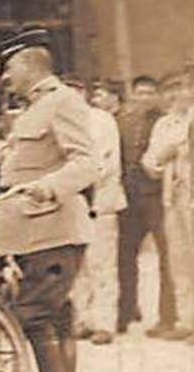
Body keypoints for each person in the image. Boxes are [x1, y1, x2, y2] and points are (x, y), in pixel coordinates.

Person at [0, 26, 102, 372]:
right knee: (55, 319)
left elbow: (87, 163)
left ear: (27, 65)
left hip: (53, 228)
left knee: (36, 316)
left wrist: (49, 186)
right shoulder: (33, 108)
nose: (5, 76)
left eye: (9, 68)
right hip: (34, 232)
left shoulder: (62, 102)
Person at [118, 74, 176, 335]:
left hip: (156, 197)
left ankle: (168, 316)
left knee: (167, 256)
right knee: (124, 255)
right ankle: (127, 309)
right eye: (140, 93)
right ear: (132, 95)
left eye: (149, 93)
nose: (144, 98)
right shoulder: (123, 123)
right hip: (128, 199)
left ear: (157, 96)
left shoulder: (165, 123)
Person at [72, 79, 126, 344]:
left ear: (83, 92)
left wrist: (75, 178)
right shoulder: (62, 121)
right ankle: (82, 318)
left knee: (102, 263)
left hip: (99, 200)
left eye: (74, 90)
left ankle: (105, 322)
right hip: (72, 202)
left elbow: (104, 163)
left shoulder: (101, 120)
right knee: (78, 265)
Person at [142, 68, 193, 341]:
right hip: (173, 199)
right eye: (172, 89)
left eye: (184, 88)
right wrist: (164, 156)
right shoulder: (165, 124)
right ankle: (187, 321)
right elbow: (149, 162)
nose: (179, 94)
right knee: (180, 261)